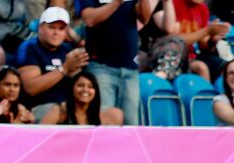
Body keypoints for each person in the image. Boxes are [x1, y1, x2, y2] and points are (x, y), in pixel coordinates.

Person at [75, 0, 150, 129]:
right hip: (101, 65)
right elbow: (89, 19)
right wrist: (117, 2)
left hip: (130, 67)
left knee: (130, 125)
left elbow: (145, 19)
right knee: (102, 122)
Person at [16, 8, 87, 121]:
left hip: (66, 107)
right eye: (52, 27)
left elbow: (79, 83)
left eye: (61, 29)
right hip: (36, 109)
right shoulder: (29, 48)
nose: (56, 33)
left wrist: (76, 73)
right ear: (40, 28)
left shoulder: (67, 49)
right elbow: (31, 88)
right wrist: (64, 69)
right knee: (56, 110)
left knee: (111, 113)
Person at [40, 68, 124, 124]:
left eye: (90, 87)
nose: (85, 90)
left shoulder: (100, 115)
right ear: (72, 88)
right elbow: (42, 134)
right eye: (80, 85)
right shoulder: (60, 111)